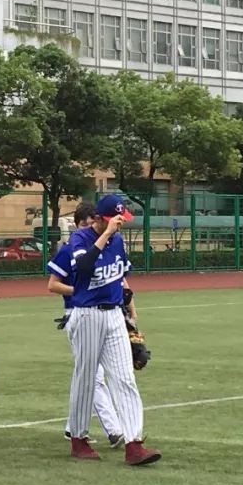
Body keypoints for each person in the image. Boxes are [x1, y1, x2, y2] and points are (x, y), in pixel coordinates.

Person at [64, 194, 160, 466]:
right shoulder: (80, 239)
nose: (120, 223)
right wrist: (105, 234)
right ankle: (79, 439)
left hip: (113, 314)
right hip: (87, 315)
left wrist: (130, 313)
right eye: (116, 218)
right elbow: (82, 268)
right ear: (100, 218)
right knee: (86, 377)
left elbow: (121, 277)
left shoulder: (117, 240)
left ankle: (134, 444)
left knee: (125, 377)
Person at [48, 202, 126, 448]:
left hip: (105, 313)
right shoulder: (71, 247)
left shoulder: (109, 245)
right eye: (82, 225)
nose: (85, 230)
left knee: (93, 375)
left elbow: (120, 280)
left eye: (88, 224)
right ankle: (113, 429)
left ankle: (73, 428)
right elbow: (52, 284)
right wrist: (83, 289)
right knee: (93, 376)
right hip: (79, 313)